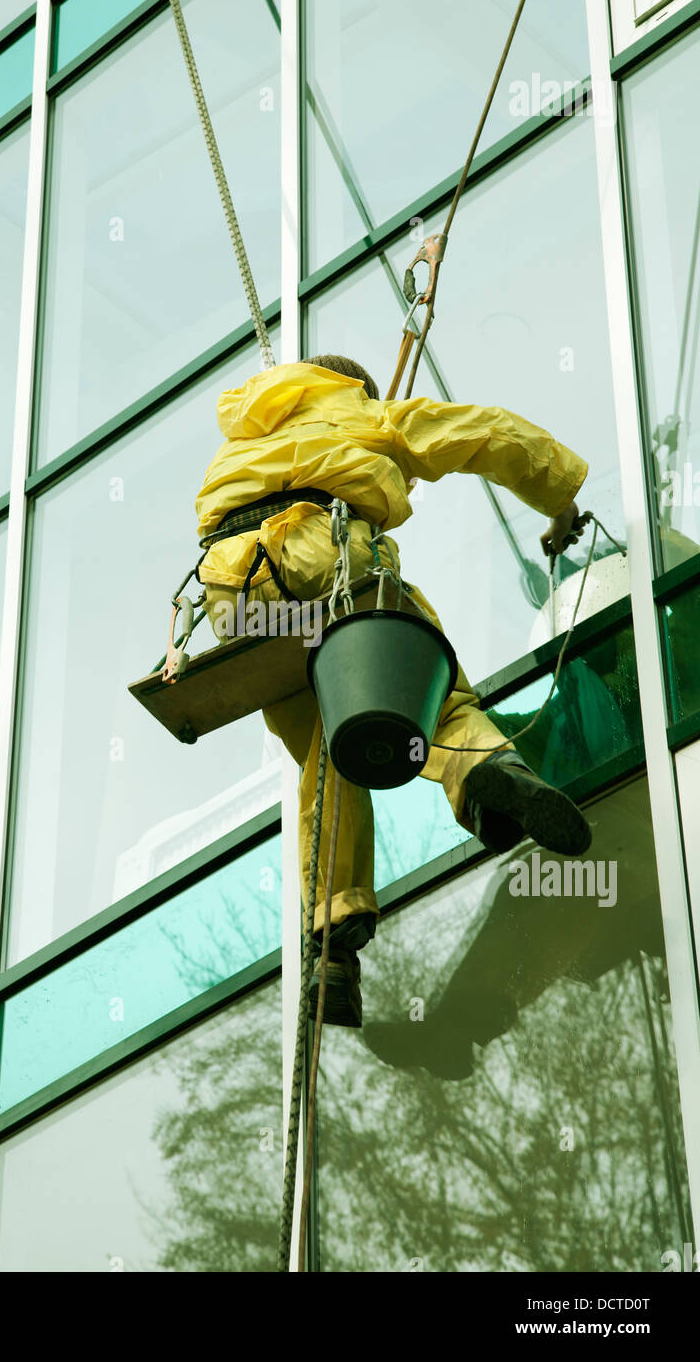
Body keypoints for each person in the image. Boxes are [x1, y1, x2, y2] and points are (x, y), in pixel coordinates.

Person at [194, 354, 592, 1028]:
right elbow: (487, 433)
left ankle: (333, 939)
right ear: (354, 386)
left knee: (335, 745)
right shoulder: (359, 411)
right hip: (319, 555)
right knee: (413, 666)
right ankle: (482, 771)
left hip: (236, 597)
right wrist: (562, 502)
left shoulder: (247, 431)